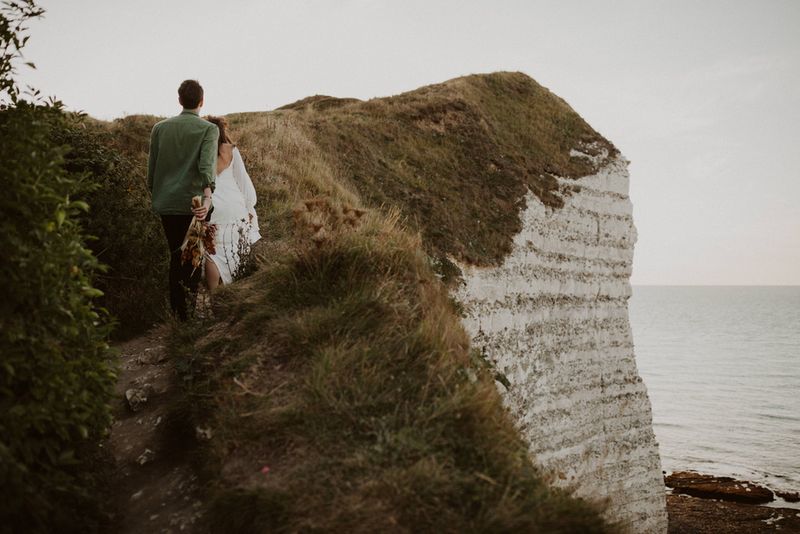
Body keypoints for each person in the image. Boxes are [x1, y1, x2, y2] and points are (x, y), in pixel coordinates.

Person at [147, 79, 219, 320]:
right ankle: (187, 316)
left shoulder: (159, 128)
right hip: (196, 206)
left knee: (176, 256)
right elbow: (206, 167)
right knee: (192, 258)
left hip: (166, 203)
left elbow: (152, 169)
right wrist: (208, 199)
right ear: (201, 101)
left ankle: (179, 316)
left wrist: (157, 194)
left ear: (179, 100)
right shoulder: (209, 129)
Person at [203, 116, 261, 290]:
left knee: (213, 253)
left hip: (212, 208)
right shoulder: (232, 151)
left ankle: (214, 297)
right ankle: (236, 294)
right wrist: (250, 205)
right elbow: (245, 185)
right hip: (235, 208)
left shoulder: (200, 154)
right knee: (238, 249)